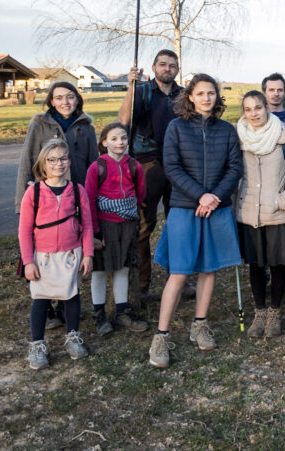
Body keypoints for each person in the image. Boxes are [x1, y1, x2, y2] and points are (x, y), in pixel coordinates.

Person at [148, 74, 243, 369]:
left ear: (217, 97)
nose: (206, 98)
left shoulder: (227, 130)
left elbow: (234, 167)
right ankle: (161, 336)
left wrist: (213, 196)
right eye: (200, 93)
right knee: (179, 272)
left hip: (216, 207)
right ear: (190, 96)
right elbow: (172, 167)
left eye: (211, 93)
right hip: (185, 207)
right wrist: (200, 195)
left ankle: (199, 323)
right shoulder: (176, 128)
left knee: (209, 269)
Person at [16, 80, 98, 329]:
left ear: (78, 99)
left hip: (75, 196)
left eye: (70, 97)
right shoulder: (40, 124)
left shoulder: (86, 126)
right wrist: (23, 200)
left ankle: (66, 302)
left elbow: (94, 164)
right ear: (51, 101)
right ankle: (49, 305)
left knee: (69, 251)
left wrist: (93, 202)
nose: (65, 102)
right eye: (59, 97)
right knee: (45, 252)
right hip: (47, 197)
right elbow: (27, 160)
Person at [19, 138, 94, 369]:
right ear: (43, 164)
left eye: (63, 158)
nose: (58, 164)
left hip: (71, 254)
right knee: (40, 300)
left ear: (69, 161)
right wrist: (28, 261)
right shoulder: (34, 193)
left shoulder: (77, 190)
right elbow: (24, 230)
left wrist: (88, 254)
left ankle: (72, 336)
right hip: (43, 257)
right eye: (52, 160)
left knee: (71, 296)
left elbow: (88, 224)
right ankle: (38, 344)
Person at [234, 90, 285, 339]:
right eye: (248, 109)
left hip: (277, 214)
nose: (254, 114)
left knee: (278, 265)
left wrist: (283, 201)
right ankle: (259, 311)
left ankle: (275, 311)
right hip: (249, 213)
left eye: (258, 108)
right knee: (255, 264)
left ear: (267, 108)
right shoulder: (239, 140)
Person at [117, 49, 182, 304]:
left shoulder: (183, 95)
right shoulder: (142, 91)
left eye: (172, 65)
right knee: (145, 225)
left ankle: (177, 279)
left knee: (178, 223)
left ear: (177, 69)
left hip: (177, 164)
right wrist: (131, 85)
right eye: (163, 64)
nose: (167, 69)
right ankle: (141, 284)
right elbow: (124, 119)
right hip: (147, 164)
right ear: (154, 67)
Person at [84, 122, 149, 337]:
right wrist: (94, 232)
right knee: (100, 270)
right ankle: (99, 314)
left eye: (123, 138)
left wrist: (128, 214)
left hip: (127, 225)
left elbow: (140, 194)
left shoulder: (134, 166)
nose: (119, 142)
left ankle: (122, 312)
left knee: (122, 267)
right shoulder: (97, 167)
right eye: (113, 138)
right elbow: (90, 199)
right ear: (104, 143)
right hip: (103, 225)